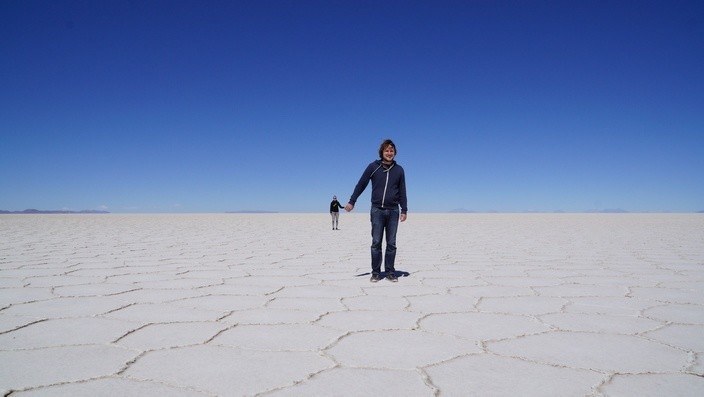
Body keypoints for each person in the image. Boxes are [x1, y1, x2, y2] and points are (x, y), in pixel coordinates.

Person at [345, 139, 407, 282]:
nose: (389, 153)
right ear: (382, 152)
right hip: (377, 210)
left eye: (391, 151)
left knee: (391, 243)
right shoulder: (373, 167)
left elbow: (403, 190)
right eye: (386, 150)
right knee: (376, 242)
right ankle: (376, 272)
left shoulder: (399, 170)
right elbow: (361, 184)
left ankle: (390, 272)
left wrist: (404, 209)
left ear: (395, 153)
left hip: (393, 211)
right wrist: (352, 201)